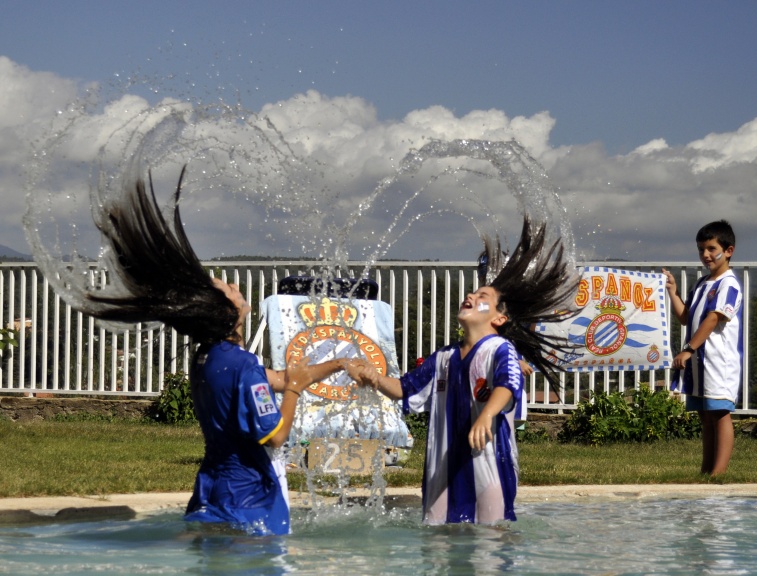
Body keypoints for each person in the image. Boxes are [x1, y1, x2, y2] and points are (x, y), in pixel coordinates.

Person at [60, 166, 347, 534]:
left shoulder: (206, 358)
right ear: (227, 312)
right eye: (227, 289)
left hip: (211, 494)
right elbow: (276, 435)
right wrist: (294, 390)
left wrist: (336, 364)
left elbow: (275, 378)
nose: (232, 286)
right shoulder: (243, 365)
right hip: (247, 505)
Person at [348, 216, 579, 525]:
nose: (471, 296)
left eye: (482, 297)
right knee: (438, 545)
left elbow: (507, 385)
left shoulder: (500, 349)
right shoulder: (443, 357)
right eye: (473, 294)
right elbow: (404, 389)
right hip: (441, 471)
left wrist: (486, 415)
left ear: (498, 319)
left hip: (489, 466)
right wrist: (375, 379)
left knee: (491, 542)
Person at [663, 220, 743, 476]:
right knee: (705, 417)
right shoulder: (702, 284)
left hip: (719, 362)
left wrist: (688, 348)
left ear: (728, 250)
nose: (705, 255)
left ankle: (718, 473)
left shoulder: (728, 284)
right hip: (700, 365)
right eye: (701, 249)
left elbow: (713, 318)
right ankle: (706, 471)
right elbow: (687, 316)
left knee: (719, 414)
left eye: (711, 248)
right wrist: (674, 293)